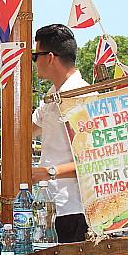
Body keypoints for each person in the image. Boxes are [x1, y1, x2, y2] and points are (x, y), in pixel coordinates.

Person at [31, 24, 94, 243]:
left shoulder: (81, 98)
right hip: (51, 207)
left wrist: (47, 172)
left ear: (49, 58)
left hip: (75, 209)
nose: (33, 62)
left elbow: (93, 160)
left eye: (34, 56)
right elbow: (26, 131)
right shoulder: (52, 96)